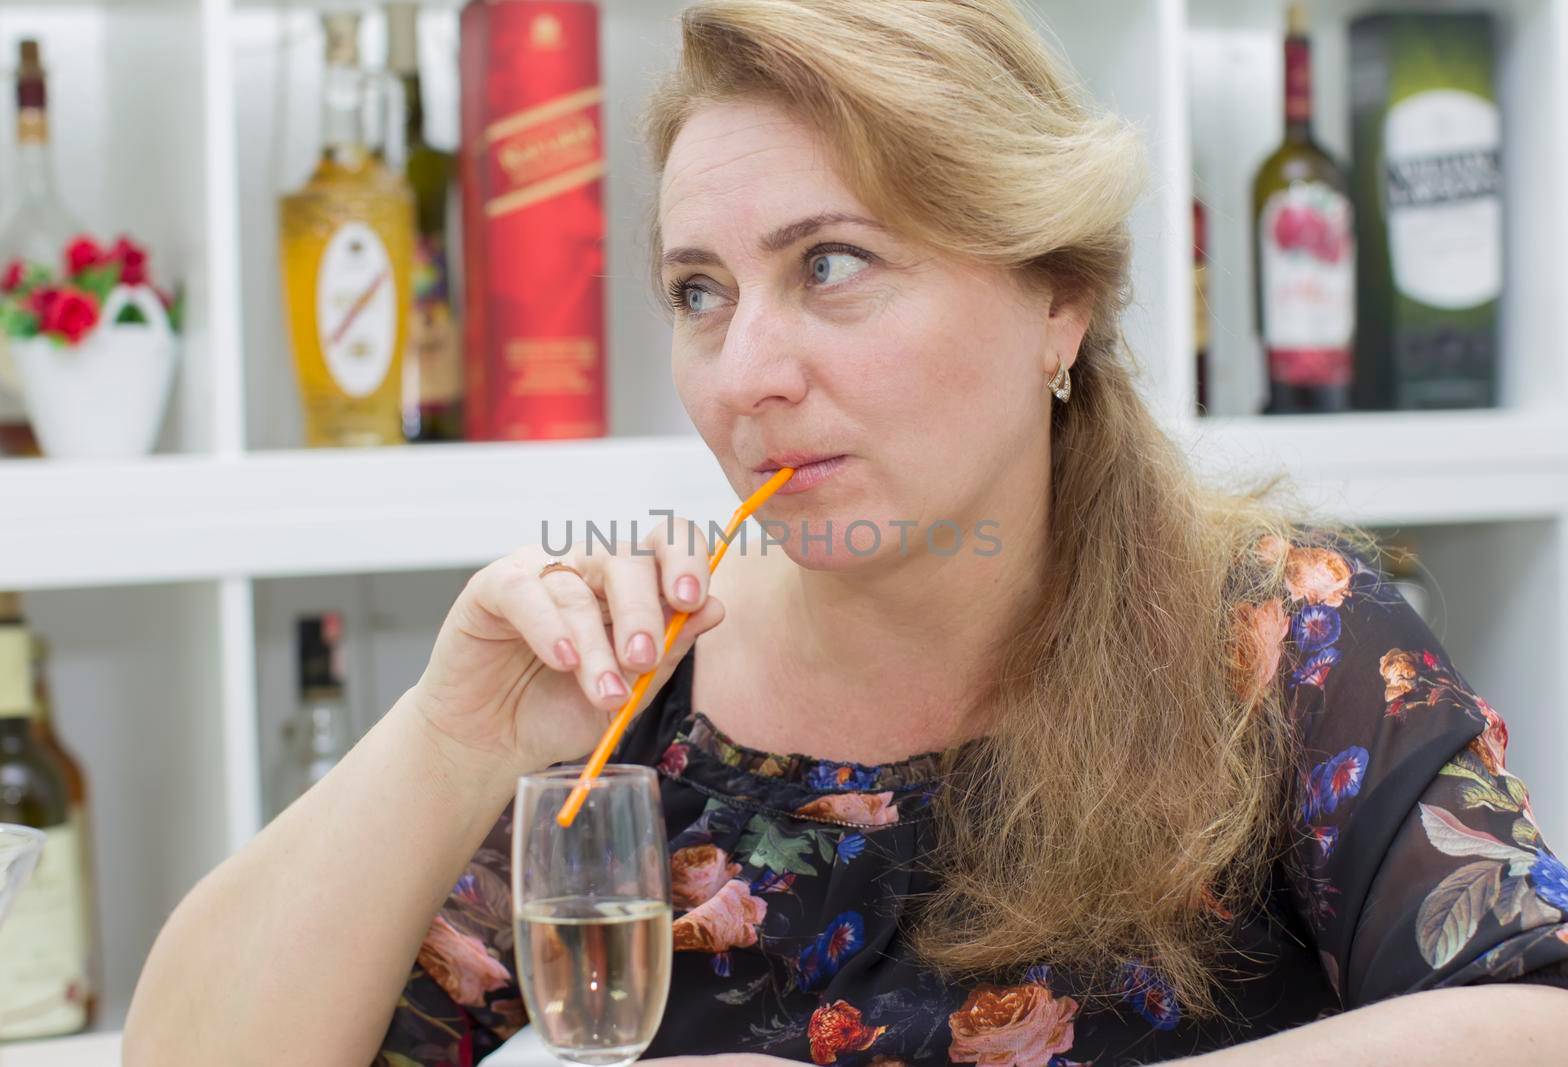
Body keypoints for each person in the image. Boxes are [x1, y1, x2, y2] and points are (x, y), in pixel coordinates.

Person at [124, 1, 1568, 1063]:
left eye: (833, 265)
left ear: (1053, 300)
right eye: (701, 291)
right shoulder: (631, 699)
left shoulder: (1278, 635)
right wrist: (448, 742)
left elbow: (1532, 1016)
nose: (745, 370)